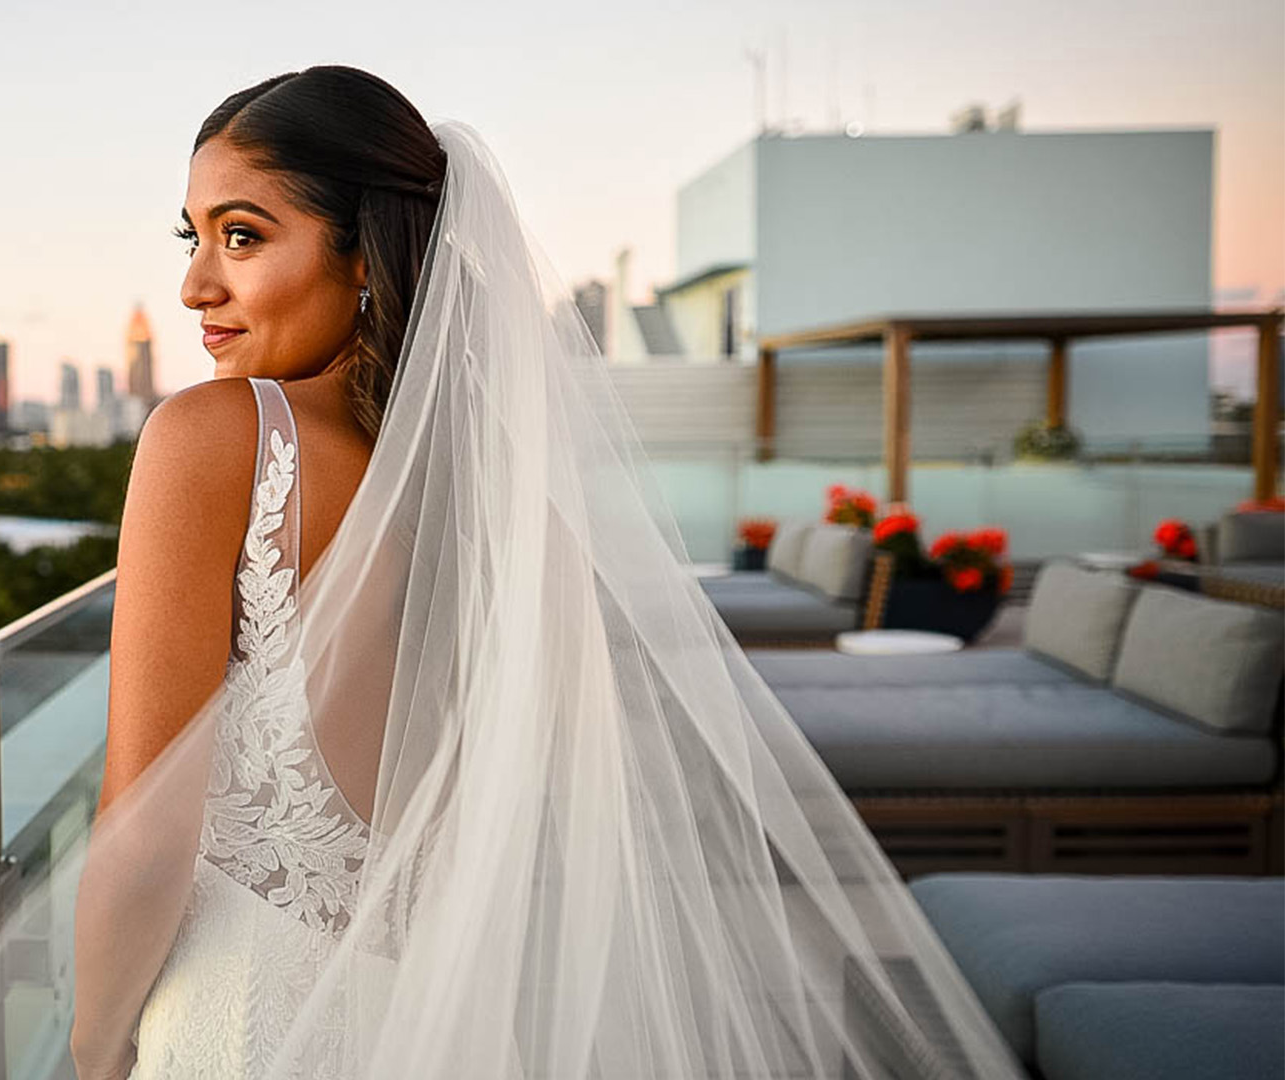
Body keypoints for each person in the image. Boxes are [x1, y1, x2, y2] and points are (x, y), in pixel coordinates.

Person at [70, 65, 1028, 1080]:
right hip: (434, 1019)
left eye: (242, 236)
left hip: (241, 1021)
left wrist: (93, 1043)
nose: (196, 285)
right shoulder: (487, 473)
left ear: (363, 257)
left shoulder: (211, 436)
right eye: (192, 237)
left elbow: (145, 830)